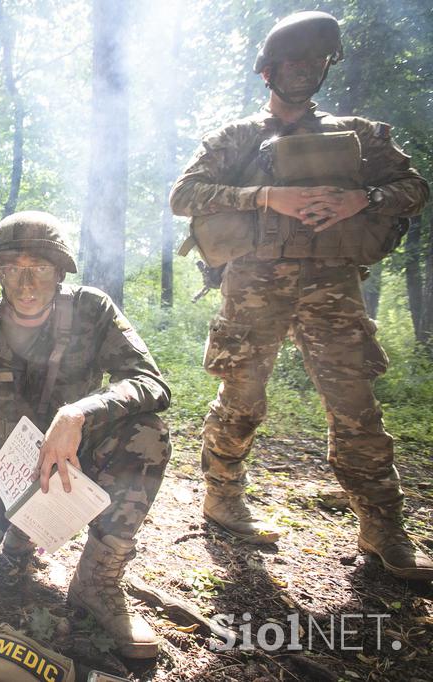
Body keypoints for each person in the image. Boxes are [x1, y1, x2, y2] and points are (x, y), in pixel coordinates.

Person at [170, 11, 431, 579]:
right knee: (241, 401)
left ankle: (383, 527)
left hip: (332, 285)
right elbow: (184, 195)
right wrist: (268, 197)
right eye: (294, 62)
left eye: (316, 62)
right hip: (254, 284)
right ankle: (222, 498)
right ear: (269, 70)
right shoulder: (238, 137)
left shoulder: (359, 134)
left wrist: (362, 201)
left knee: (356, 409)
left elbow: (414, 188)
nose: (305, 72)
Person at [0, 212, 172, 658]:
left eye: (40, 269)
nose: (26, 285)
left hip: (70, 461)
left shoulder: (92, 310)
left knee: (147, 435)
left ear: (60, 269)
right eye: (12, 270)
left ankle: (97, 583)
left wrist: (78, 413)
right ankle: (17, 533)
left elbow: (150, 383)